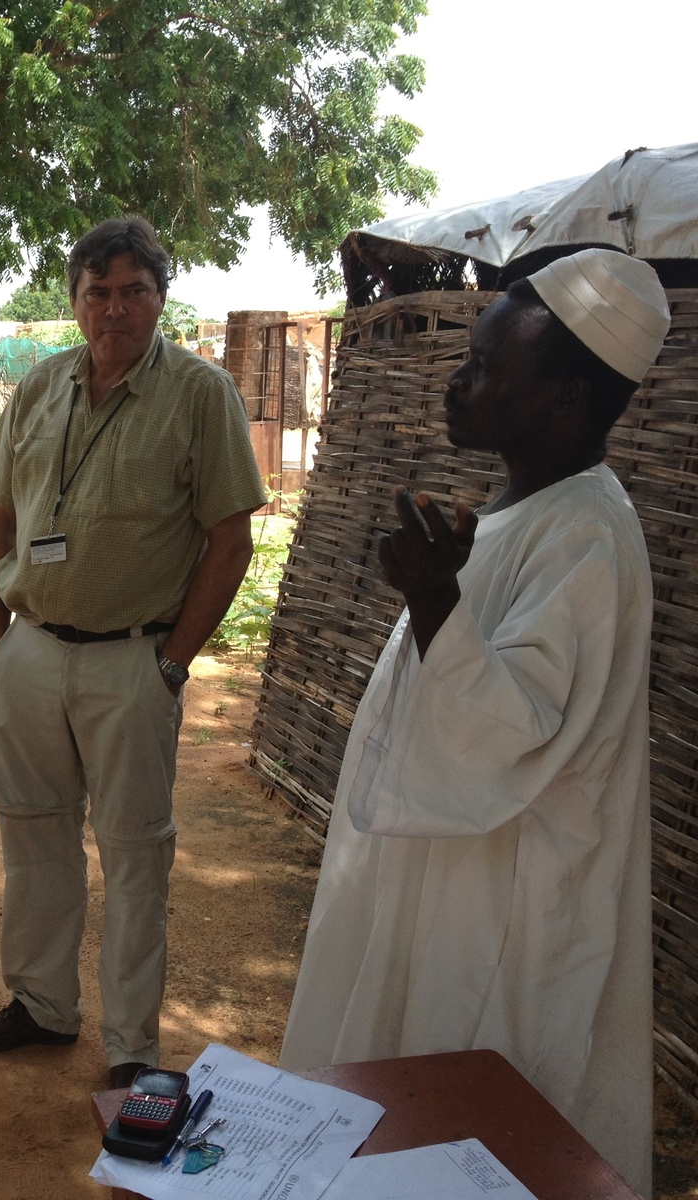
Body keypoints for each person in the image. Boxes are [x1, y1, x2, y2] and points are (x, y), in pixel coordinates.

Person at [278, 248, 667, 1197]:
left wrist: (434, 599)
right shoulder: (530, 509)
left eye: (485, 368)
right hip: (447, 873)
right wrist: (435, 594)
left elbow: (512, 732)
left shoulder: (586, 536)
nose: (457, 381)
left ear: (566, 399)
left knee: (479, 1125)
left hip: (503, 901)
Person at [0, 216, 267, 1090]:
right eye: (99, 293)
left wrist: (172, 664)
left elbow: (231, 543)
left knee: (134, 855)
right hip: (31, 656)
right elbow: (0, 523)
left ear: (161, 299)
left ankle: (131, 1046)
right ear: (76, 301)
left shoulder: (200, 394)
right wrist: (0, 645)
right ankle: (41, 1006)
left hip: (133, 663)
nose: (116, 309)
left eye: (135, 291)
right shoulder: (40, 385)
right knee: (34, 838)